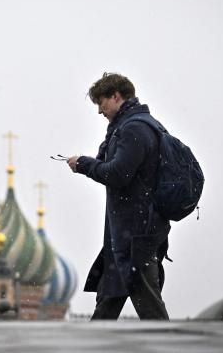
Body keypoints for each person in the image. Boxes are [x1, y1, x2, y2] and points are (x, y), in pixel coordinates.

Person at [66, 72, 170, 320]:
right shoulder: (131, 127)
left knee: (149, 306)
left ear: (116, 96)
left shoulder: (135, 128)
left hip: (136, 235)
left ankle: (169, 346)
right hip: (123, 235)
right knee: (108, 301)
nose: (100, 111)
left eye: (101, 103)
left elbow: (117, 174)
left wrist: (84, 164)